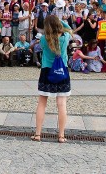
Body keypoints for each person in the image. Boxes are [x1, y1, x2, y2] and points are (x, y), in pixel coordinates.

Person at [33, 15, 71, 143]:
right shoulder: (65, 38)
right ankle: (61, 135)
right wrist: (60, 21)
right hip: (62, 71)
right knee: (61, 104)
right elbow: (69, 29)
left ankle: (38, 134)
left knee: (42, 103)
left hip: (47, 71)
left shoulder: (43, 39)